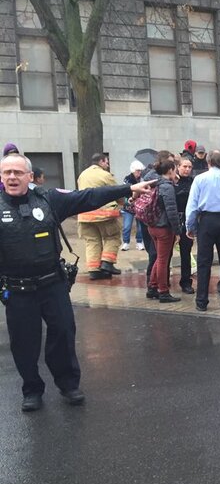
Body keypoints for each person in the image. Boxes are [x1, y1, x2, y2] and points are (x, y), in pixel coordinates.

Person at [0, 153, 155, 411]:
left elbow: (87, 197)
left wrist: (128, 188)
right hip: (18, 290)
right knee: (24, 342)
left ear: (30, 176)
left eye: (17, 172)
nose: (12, 177)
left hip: (52, 285)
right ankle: (32, 390)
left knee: (63, 333)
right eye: (7, 173)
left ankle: (68, 384)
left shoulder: (49, 199)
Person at [185, 149, 220, 311]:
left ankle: (201, 301)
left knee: (203, 262)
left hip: (206, 220)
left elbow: (193, 206)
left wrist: (191, 226)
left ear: (208, 162)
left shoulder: (200, 179)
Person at [77, 153, 123, 280]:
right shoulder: (105, 175)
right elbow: (116, 192)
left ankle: (94, 270)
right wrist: (123, 203)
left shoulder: (82, 175)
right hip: (104, 214)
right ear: (101, 161)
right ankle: (107, 263)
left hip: (85, 215)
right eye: (106, 162)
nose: (107, 165)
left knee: (92, 241)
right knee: (112, 237)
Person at [147, 159, 182, 303]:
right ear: (170, 171)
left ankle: (152, 286)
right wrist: (178, 230)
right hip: (163, 228)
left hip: (152, 226)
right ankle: (163, 291)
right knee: (163, 260)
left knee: (158, 258)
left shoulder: (154, 183)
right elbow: (171, 211)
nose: (176, 172)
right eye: (175, 169)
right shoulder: (167, 187)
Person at [175, 158, 195, 294]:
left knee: (186, 253)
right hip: (173, 220)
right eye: (184, 166)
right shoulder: (173, 181)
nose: (187, 169)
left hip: (187, 221)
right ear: (178, 167)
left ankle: (186, 281)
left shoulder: (193, 182)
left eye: (189, 167)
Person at [121, 160, 146, 251]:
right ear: (133, 170)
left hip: (140, 206)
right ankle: (126, 242)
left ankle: (139, 241)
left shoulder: (143, 179)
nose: (139, 173)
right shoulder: (127, 179)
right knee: (127, 226)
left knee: (140, 226)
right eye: (137, 171)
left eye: (140, 170)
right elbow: (125, 191)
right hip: (129, 207)